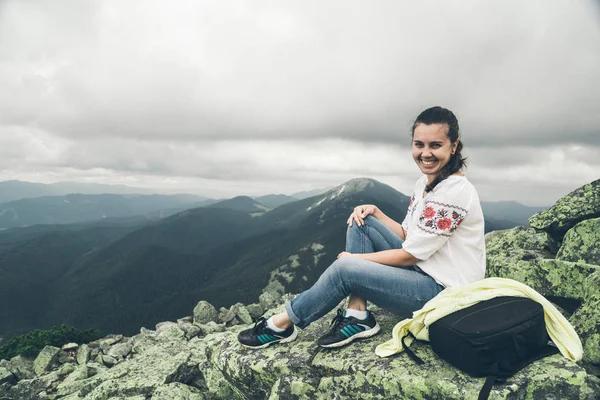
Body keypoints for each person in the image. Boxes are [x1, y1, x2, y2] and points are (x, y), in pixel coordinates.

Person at [238, 106, 486, 349]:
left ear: (453, 147)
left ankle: (281, 324)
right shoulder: (426, 182)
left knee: (346, 269)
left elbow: (409, 255)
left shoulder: (454, 192)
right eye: (419, 144)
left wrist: (356, 260)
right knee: (363, 222)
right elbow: (409, 236)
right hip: (425, 268)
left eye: (435, 145)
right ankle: (357, 315)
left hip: (443, 292)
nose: (425, 153)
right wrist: (376, 212)